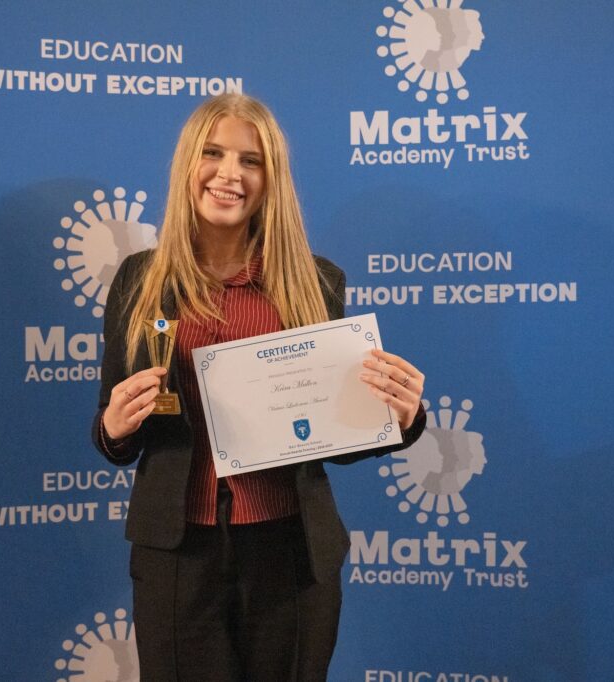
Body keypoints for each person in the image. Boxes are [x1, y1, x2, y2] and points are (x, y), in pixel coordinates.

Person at [91, 94, 426, 681]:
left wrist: (401, 419)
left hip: (290, 552)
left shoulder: (316, 282)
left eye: (251, 160)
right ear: (187, 165)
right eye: (213, 154)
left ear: (271, 180)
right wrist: (114, 428)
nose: (229, 174)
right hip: (178, 552)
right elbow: (115, 434)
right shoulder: (139, 281)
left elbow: (334, 438)